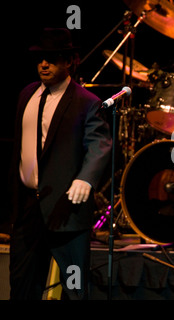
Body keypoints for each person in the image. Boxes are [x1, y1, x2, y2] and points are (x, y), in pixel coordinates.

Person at [8, 28, 112, 300]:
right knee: (22, 285)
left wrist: (86, 178)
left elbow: (100, 144)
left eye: (52, 58)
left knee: (75, 289)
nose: (44, 64)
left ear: (69, 61)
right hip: (28, 210)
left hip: (66, 211)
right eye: (41, 58)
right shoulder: (27, 94)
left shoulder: (87, 102)